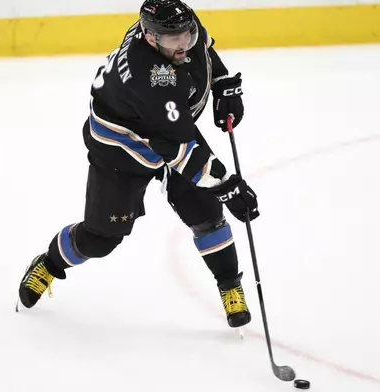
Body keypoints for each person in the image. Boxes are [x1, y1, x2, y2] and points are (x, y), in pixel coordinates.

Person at [16, 0, 260, 329]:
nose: (182, 44)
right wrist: (227, 188)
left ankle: (230, 283)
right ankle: (48, 263)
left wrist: (221, 82)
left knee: (206, 214)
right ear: (149, 38)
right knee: (101, 239)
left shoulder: (175, 27)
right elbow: (180, 149)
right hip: (122, 151)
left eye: (185, 35)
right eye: (173, 40)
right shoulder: (152, 80)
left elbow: (201, 46)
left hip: (167, 128)